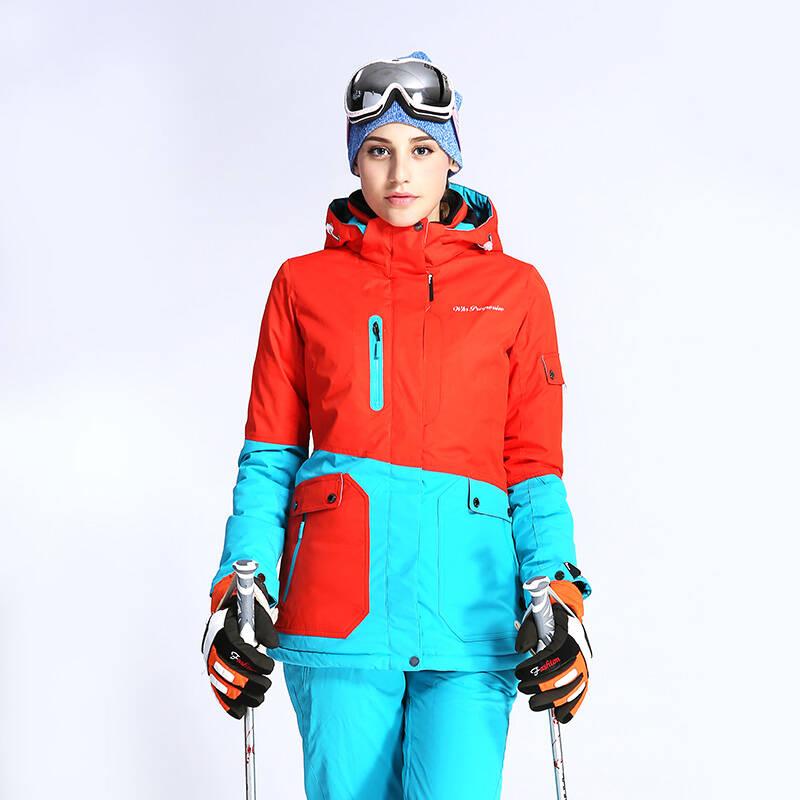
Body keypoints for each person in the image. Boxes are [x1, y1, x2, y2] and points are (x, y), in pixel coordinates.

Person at [201, 51, 593, 800]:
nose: (400, 173)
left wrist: (558, 593)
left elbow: (534, 465)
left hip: (471, 614)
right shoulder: (301, 285)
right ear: (356, 160)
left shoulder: (515, 290)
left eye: (421, 150)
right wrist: (242, 585)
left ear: (451, 159)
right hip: (338, 617)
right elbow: (270, 457)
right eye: (378, 151)